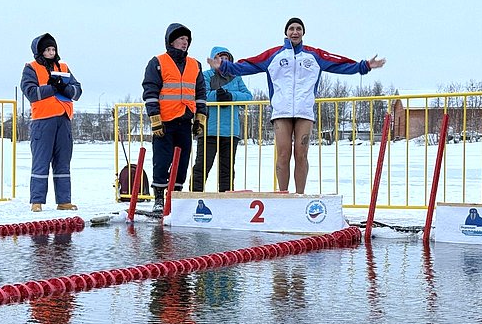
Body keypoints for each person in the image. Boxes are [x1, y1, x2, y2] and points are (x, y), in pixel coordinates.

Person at [207, 17, 385, 194]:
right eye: (291, 28)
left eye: (298, 28)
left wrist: (365, 66)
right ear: (286, 32)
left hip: (304, 112)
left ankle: (300, 196)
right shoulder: (273, 55)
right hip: (281, 112)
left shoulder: (314, 55)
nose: (295, 32)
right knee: (283, 155)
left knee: (301, 154)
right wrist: (224, 66)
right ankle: (283, 195)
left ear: (303, 33)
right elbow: (248, 65)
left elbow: (339, 64)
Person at [142, 23, 207, 213]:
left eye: (187, 40)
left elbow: (200, 92)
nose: (185, 42)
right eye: (181, 39)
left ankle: (175, 197)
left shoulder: (195, 64)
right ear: (171, 41)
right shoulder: (158, 62)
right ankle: (159, 198)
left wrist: (200, 117)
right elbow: (150, 91)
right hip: (165, 120)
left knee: (183, 161)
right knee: (162, 160)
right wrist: (155, 118)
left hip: (185, 120)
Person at [20, 32, 82, 212]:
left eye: (53, 49)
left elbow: (77, 91)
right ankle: (37, 201)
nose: (51, 52)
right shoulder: (30, 68)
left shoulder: (63, 66)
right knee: (41, 161)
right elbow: (31, 92)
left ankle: (64, 201)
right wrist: (52, 87)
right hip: (43, 121)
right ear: (40, 51)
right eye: (47, 49)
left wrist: (64, 87)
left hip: (63, 120)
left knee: (63, 161)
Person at [191, 46, 253, 192]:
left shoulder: (236, 77)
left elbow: (248, 96)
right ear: (212, 61)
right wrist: (217, 96)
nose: (223, 62)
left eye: (227, 59)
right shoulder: (205, 75)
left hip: (230, 131)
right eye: (220, 58)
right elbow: (201, 95)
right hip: (209, 130)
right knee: (202, 166)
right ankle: (194, 198)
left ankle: (225, 201)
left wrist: (231, 96)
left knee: (227, 170)